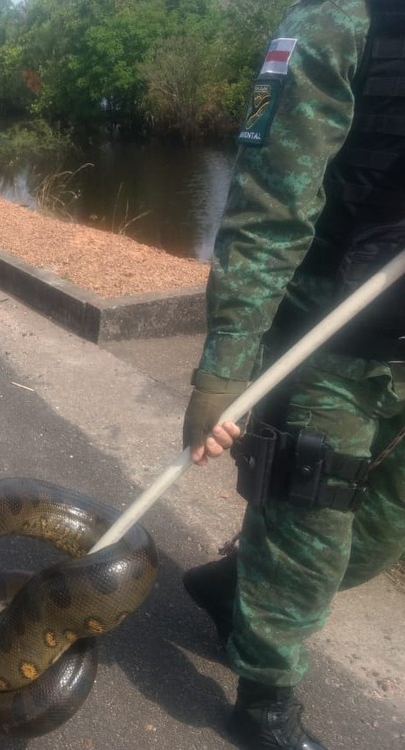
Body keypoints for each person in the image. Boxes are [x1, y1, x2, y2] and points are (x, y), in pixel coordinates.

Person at [181, 1, 405, 748]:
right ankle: (266, 699)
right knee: (310, 534)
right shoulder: (338, 25)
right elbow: (268, 209)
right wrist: (224, 369)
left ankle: (234, 587)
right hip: (328, 341)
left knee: (375, 539)